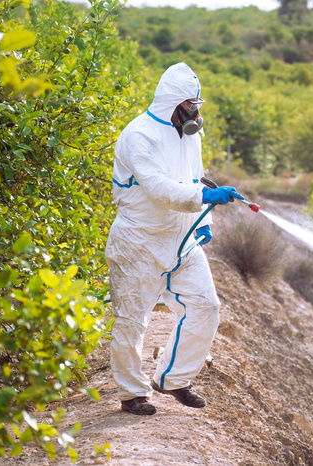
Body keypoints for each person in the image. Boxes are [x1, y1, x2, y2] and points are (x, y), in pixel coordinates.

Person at [105, 63, 244, 416]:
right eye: (191, 105)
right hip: (138, 241)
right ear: (174, 103)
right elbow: (159, 190)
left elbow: (195, 179)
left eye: (198, 105)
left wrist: (203, 219)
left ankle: (173, 379)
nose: (196, 113)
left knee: (206, 307)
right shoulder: (139, 136)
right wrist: (204, 200)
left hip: (182, 238)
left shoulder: (190, 136)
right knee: (132, 319)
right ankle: (132, 393)